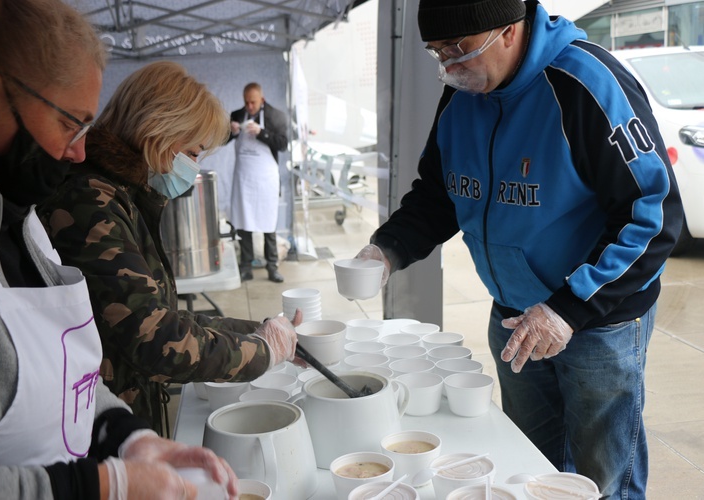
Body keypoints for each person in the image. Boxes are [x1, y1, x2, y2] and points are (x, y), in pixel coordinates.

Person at [357, 1, 683, 498]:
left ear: (509, 32)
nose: (448, 67)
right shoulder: (462, 93)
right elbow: (439, 194)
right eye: (437, 52)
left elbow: (653, 216)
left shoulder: (584, 85)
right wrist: (386, 250)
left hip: (597, 319)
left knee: (602, 477)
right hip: (515, 318)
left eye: (460, 50)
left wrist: (568, 310)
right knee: (528, 466)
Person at [0, 1, 240, 499]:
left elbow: (69, 374)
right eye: (70, 124)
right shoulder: (78, 204)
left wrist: (125, 436)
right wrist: (102, 484)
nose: (78, 151)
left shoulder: (22, 225)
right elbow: (150, 333)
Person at [39, 61, 302, 436]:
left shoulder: (124, 196)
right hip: (100, 431)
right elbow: (156, 338)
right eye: (193, 153)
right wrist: (261, 353)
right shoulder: (90, 202)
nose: (193, 169)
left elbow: (164, 315)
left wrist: (257, 331)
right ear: (158, 133)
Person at [228, 82, 289, 283]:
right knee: (244, 224)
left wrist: (262, 133)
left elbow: (282, 143)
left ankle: (272, 266)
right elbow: (222, 140)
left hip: (265, 180)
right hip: (244, 178)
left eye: (253, 102)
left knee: (268, 222)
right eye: (246, 102)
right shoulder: (237, 115)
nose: (249, 107)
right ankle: (246, 266)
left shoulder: (275, 116)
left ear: (261, 99)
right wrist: (232, 131)